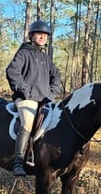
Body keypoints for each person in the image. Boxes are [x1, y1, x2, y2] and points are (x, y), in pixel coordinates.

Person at [6, 20, 62, 176]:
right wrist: (26, 91)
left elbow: (56, 77)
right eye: (39, 34)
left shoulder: (46, 58)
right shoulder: (24, 53)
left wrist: (51, 94)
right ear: (31, 36)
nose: (42, 37)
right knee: (28, 122)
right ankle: (18, 162)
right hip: (25, 98)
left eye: (45, 34)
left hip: (44, 99)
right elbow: (12, 72)